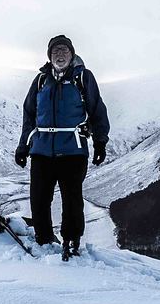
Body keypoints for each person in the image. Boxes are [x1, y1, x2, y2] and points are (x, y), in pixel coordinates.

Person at [15, 34, 110, 260]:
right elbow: (29, 115)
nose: (60, 54)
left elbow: (97, 110)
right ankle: (44, 239)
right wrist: (23, 146)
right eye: (55, 51)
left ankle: (71, 241)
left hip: (73, 150)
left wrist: (100, 142)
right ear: (49, 56)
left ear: (72, 54)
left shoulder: (83, 78)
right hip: (41, 150)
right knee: (38, 197)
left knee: (72, 199)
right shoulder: (40, 81)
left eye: (64, 50)